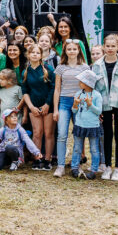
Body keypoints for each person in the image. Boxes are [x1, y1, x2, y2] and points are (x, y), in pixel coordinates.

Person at [91, 33, 118, 181]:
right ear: (104, 47)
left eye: (113, 46)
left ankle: (117, 168)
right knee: (107, 135)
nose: (110, 49)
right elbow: (93, 88)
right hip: (103, 104)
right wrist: (96, 108)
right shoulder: (96, 66)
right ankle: (107, 166)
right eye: (107, 46)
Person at [51, 41, 87, 177]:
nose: (71, 51)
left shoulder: (85, 67)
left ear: (78, 51)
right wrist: (55, 109)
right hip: (64, 102)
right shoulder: (60, 68)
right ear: (65, 51)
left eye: (74, 49)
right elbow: (57, 89)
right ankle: (60, 166)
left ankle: (76, 165)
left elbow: (88, 89)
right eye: (69, 49)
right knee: (61, 134)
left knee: (78, 134)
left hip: (79, 102)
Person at [20, 44, 54, 169]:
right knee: (37, 133)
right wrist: (31, 107)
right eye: (32, 52)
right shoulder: (25, 72)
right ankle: (37, 158)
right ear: (28, 55)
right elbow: (25, 92)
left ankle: (47, 159)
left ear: (41, 55)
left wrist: (47, 104)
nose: (35, 54)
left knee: (48, 133)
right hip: (33, 106)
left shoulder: (48, 69)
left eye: (37, 53)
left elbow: (52, 88)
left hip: (47, 105)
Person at [69, 69, 103, 180]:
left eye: (81, 81)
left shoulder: (97, 96)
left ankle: (94, 170)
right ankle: (74, 167)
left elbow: (98, 111)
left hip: (93, 126)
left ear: (88, 83)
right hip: (80, 125)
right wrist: (75, 104)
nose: (79, 83)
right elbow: (74, 111)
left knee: (94, 149)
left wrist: (90, 104)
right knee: (77, 148)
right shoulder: (78, 94)